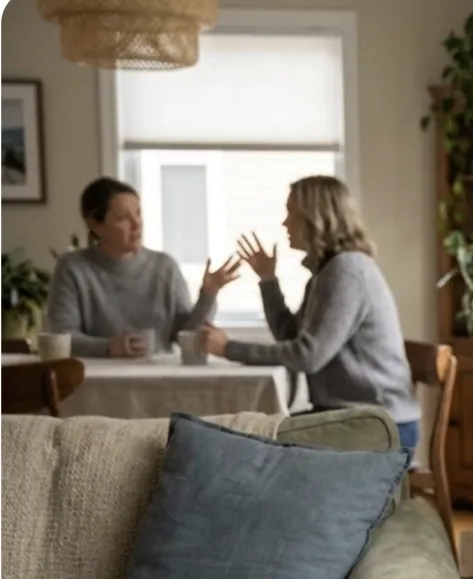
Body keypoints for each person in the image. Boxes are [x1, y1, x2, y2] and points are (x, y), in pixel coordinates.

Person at [198, 175, 421, 451]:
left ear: (315, 217)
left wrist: (228, 348)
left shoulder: (346, 271)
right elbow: (290, 337)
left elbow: (308, 356)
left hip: (379, 427)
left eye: (291, 212)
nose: (285, 223)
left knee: (246, 443)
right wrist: (268, 280)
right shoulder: (327, 272)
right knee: (246, 435)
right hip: (353, 417)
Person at [45, 177, 241, 358]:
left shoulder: (165, 266)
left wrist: (208, 294)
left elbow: (187, 336)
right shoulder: (73, 268)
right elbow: (61, 337)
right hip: (96, 380)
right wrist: (109, 347)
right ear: (95, 225)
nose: (137, 224)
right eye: (123, 218)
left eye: (138, 213)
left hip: (158, 378)